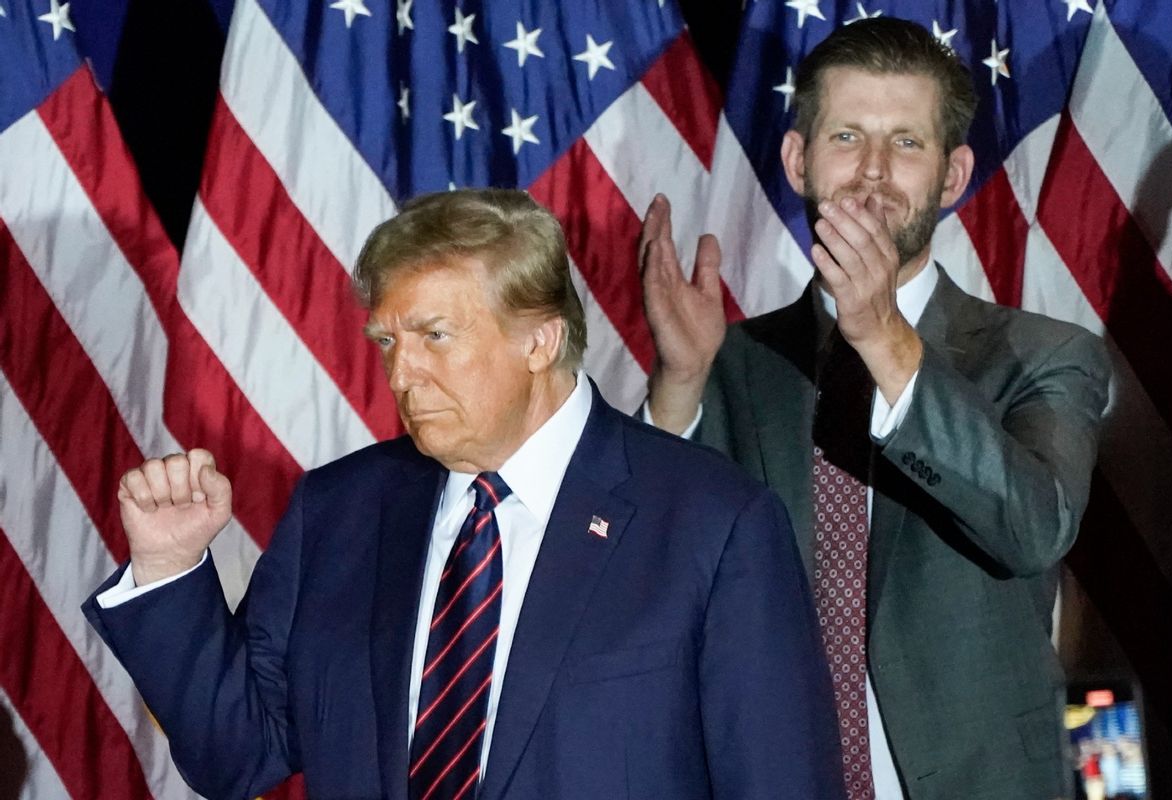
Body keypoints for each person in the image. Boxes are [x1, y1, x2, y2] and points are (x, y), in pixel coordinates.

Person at [83, 188, 844, 800]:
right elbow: (235, 758)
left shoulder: (712, 525)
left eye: (435, 336)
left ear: (539, 340)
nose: (401, 374)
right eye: (388, 341)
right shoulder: (339, 513)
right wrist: (169, 570)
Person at [640, 17, 1110, 800]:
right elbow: (656, 569)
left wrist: (885, 337)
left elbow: (1033, 528)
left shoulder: (1044, 355)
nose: (874, 173)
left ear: (953, 176)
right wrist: (680, 384)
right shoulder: (730, 360)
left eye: (908, 144)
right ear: (798, 159)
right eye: (848, 137)